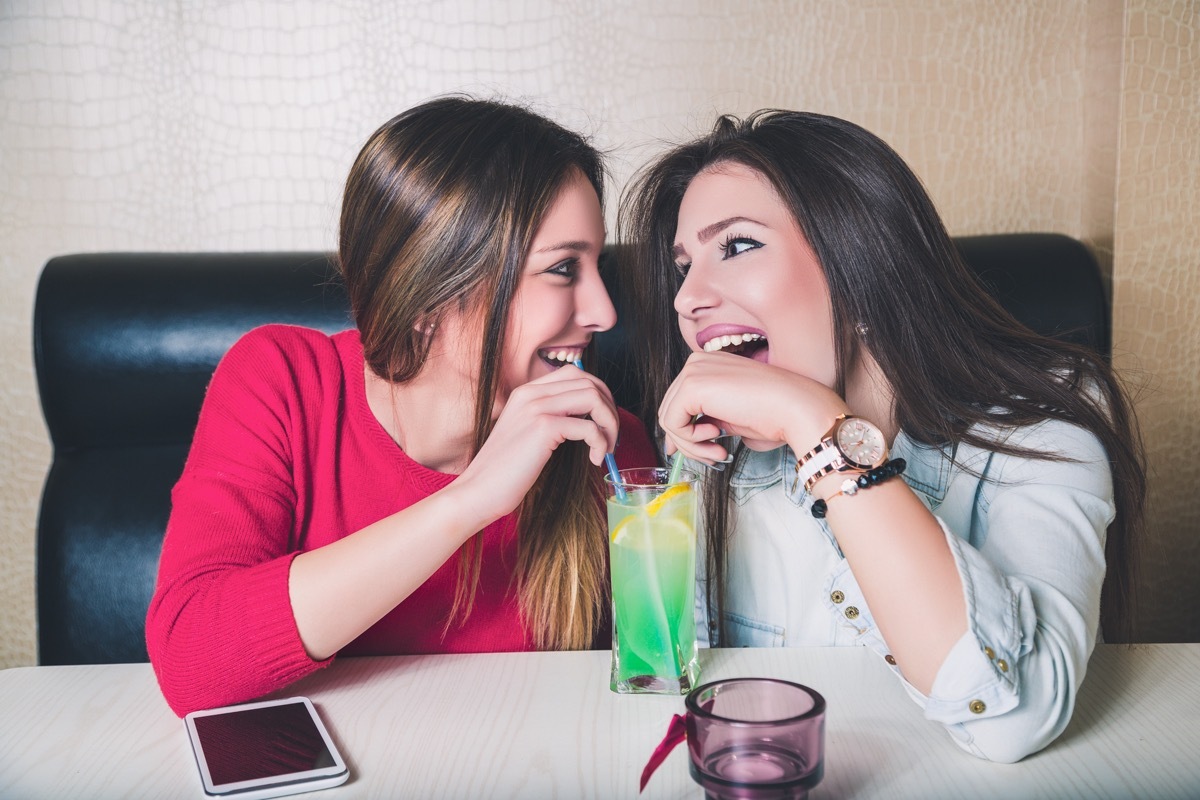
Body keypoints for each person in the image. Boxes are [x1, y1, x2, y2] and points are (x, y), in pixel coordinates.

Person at [618, 110, 1145, 763]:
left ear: (860, 266)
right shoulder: (707, 450)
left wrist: (818, 428)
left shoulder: (1045, 420)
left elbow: (1013, 720)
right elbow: (673, 694)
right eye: (683, 266)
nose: (686, 298)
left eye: (737, 245)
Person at [146, 96, 657, 716]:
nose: (604, 313)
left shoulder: (606, 443)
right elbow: (192, 658)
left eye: (596, 264)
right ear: (427, 296)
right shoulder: (282, 381)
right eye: (561, 269)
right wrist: (470, 500)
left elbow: (645, 693)